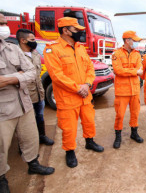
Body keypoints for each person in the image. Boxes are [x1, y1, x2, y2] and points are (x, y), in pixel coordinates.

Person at [0, 13, 54, 193]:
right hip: (3, 109)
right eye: (1, 23)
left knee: (30, 138)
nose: (5, 27)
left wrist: (9, 79)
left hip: (24, 103)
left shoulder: (12, 48)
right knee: (2, 146)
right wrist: (20, 76)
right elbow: (26, 74)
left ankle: (33, 164)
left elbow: (32, 72)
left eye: (5, 23)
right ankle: (1, 178)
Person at [44, 17, 104, 168]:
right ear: (65, 30)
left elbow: (90, 68)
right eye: (76, 30)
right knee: (69, 128)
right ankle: (69, 152)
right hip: (68, 98)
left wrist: (87, 84)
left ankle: (89, 142)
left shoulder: (80, 48)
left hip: (85, 96)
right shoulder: (52, 49)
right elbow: (57, 76)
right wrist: (78, 88)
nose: (80, 32)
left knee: (89, 122)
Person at [16, 29, 54, 146]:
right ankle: (25, 145)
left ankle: (41, 136)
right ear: (23, 40)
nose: (34, 42)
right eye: (32, 40)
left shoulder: (35, 53)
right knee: (25, 122)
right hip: (25, 95)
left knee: (39, 116)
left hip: (38, 92)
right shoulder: (16, 55)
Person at [112, 30, 144, 149]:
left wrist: (133, 71)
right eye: (134, 40)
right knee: (120, 115)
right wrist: (135, 72)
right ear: (127, 40)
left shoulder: (137, 54)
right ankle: (118, 136)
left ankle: (134, 133)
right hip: (122, 91)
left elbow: (140, 68)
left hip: (135, 90)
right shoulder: (117, 54)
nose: (136, 42)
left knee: (135, 113)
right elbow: (118, 71)